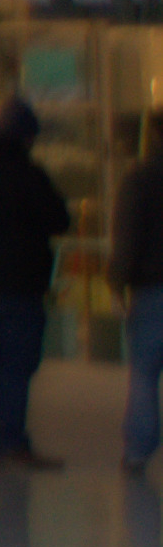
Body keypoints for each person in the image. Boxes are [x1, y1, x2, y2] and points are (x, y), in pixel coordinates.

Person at [0, 97, 72, 470]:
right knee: (16, 367)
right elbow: (59, 219)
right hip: (17, 285)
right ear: (26, 137)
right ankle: (12, 442)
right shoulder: (25, 173)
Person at [117, 123, 160, 479]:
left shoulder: (139, 179)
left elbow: (128, 232)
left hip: (150, 290)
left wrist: (117, 279)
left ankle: (137, 452)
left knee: (144, 373)